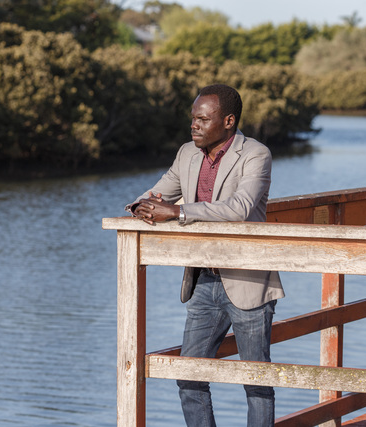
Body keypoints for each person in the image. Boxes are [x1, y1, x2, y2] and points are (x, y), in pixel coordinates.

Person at [125, 84, 284, 427]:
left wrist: (178, 212)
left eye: (203, 119)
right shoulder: (187, 153)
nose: (194, 125)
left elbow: (240, 207)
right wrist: (140, 206)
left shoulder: (256, 154)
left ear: (228, 121)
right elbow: (157, 192)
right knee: (189, 376)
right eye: (192, 118)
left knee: (256, 381)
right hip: (202, 281)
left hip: (248, 281)